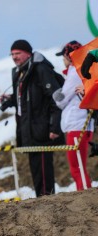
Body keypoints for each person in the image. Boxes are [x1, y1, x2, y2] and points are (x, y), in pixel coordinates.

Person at [0, 39, 63, 197]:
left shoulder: (40, 69)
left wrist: (55, 127)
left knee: (43, 167)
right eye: (12, 54)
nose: (14, 57)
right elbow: (24, 99)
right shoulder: (19, 72)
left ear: (28, 53)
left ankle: (47, 199)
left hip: (42, 128)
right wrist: (9, 100)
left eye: (18, 53)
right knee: (35, 167)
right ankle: (42, 198)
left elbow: (57, 99)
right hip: (27, 129)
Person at [52, 41, 94, 191]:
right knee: (78, 166)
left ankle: (85, 199)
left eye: (63, 57)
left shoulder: (75, 70)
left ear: (69, 56)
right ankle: (85, 197)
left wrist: (55, 95)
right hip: (81, 123)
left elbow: (62, 100)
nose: (63, 61)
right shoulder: (82, 69)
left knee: (77, 167)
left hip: (77, 124)